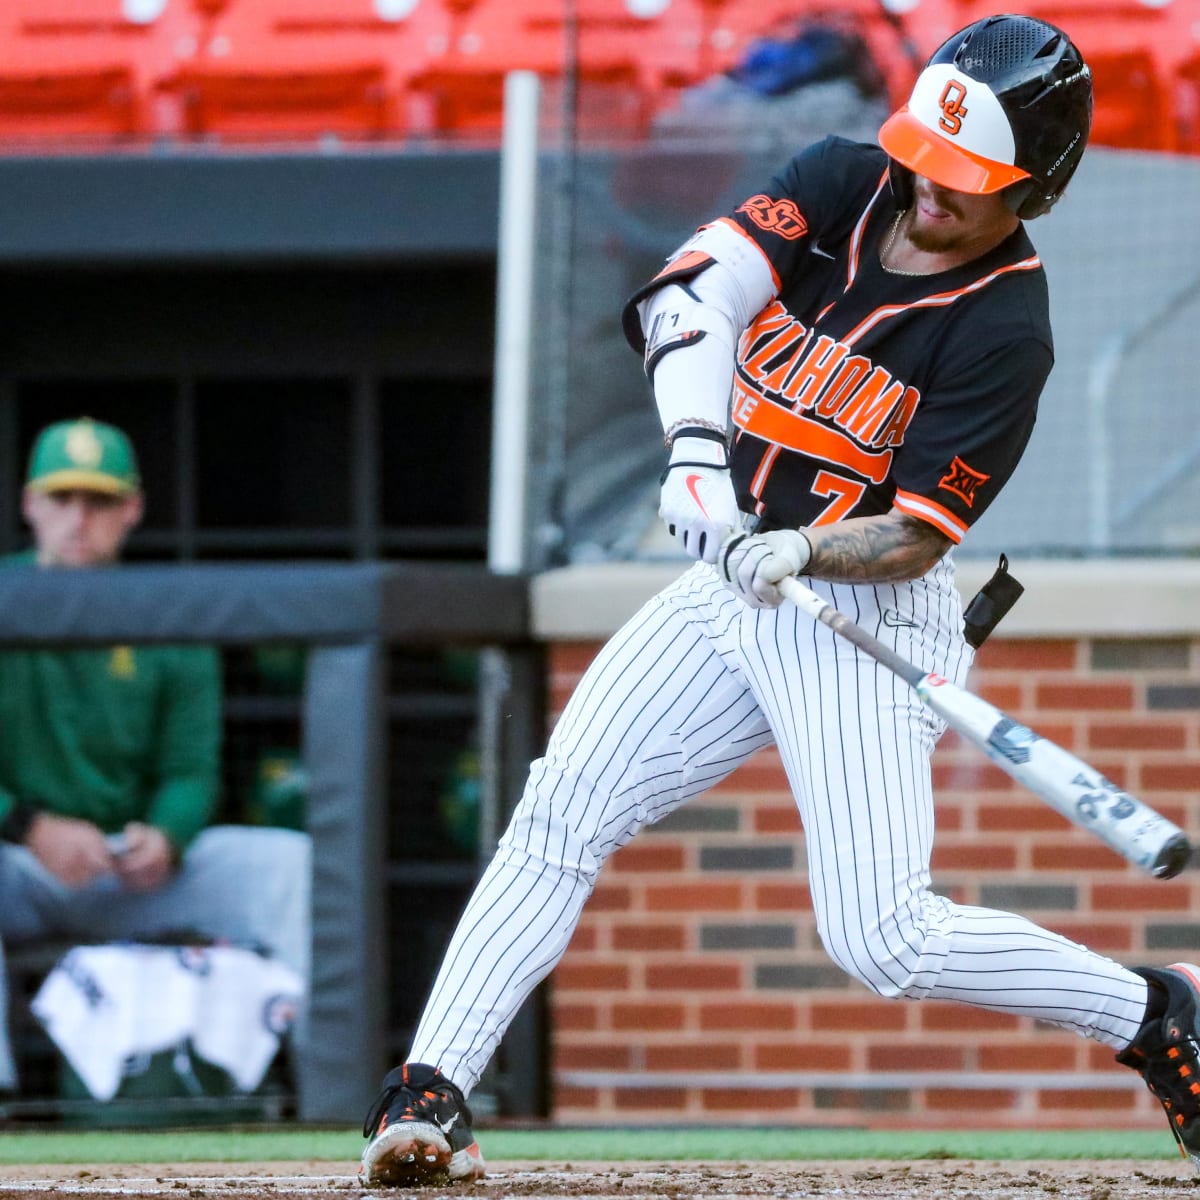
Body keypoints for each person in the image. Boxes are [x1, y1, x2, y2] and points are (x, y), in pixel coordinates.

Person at [359, 14, 1198, 1186]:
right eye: (923, 158)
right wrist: (698, 455)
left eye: (966, 181)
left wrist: (804, 547)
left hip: (858, 615)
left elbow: (912, 536)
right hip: (729, 568)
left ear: (1034, 188)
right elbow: (688, 296)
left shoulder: (1008, 327)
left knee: (882, 938)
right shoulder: (845, 180)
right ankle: (431, 1090)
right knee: (563, 809)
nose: (927, 191)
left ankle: (1157, 1015)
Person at [0, 416, 311, 1095]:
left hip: (130, 865)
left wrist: (166, 835)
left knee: (292, 866)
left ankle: (336, 1092)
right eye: (61, 499)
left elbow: (190, 770)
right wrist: (31, 826)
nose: (78, 519)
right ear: (29, 504)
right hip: (20, 864)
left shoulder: (168, 612)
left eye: (100, 500)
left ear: (132, 509)